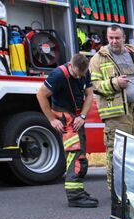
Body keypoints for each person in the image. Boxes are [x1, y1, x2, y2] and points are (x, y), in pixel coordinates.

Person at [89, 25, 134, 201]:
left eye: (117, 38)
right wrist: (114, 83)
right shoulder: (98, 59)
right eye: (110, 38)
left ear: (124, 37)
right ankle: (117, 193)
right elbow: (94, 86)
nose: (114, 41)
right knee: (117, 153)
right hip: (117, 114)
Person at [36, 53, 96, 207]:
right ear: (70, 65)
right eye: (76, 74)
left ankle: (79, 192)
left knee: (81, 156)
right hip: (66, 118)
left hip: (76, 117)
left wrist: (82, 116)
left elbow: (89, 94)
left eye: (81, 75)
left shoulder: (84, 71)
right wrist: (52, 119)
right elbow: (41, 94)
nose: (78, 77)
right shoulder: (58, 76)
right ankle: (75, 197)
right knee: (75, 157)